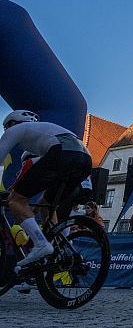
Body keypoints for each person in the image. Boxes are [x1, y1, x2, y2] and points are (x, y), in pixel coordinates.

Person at [0, 110, 92, 268]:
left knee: (15, 201)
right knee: (46, 206)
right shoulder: (46, 131)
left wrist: (16, 196)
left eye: (6, 128)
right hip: (85, 162)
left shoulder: (17, 130)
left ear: (11, 124)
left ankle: (41, 244)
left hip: (63, 155)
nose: (6, 132)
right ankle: (59, 251)